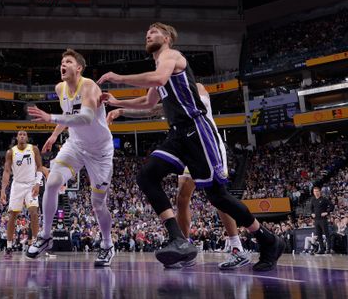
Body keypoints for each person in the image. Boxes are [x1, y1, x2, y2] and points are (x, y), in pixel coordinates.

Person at [99, 22, 284, 271]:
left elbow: (159, 78)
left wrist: (118, 78)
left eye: (153, 32)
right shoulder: (158, 66)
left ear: (167, 37)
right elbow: (148, 102)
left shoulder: (171, 56)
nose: (148, 35)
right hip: (178, 135)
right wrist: (117, 103)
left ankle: (267, 239)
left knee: (218, 196)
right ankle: (177, 237)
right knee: (146, 176)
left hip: (197, 131)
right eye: (146, 33)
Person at [107, 83, 250, 270]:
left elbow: (159, 105)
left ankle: (237, 247)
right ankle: (184, 247)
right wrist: (122, 111)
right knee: (182, 198)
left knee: (218, 196)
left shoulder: (195, 87)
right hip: (187, 148)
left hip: (207, 144)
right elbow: (151, 109)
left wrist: (121, 104)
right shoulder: (169, 92)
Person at [25, 49, 116, 267]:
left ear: (79, 68)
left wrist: (49, 118)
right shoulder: (60, 88)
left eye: (68, 61)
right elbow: (68, 115)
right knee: (54, 181)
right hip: (75, 145)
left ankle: (107, 244)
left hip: (100, 152)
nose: (62, 65)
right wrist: (54, 134)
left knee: (98, 204)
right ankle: (45, 236)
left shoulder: (89, 86)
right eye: (61, 62)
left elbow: (85, 117)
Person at [0, 130, 45, 257]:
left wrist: (37, 183)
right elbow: (7, 171)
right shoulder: (11, 152)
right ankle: (9, 246)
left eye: (24, 134)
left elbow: (40, 167)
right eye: (20, 134)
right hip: (17, 185)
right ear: (17, 137)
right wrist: (3, 190)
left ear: (27, 137)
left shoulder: (34, 149)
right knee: (12, 215)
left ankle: (34, 244)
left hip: (31, 184)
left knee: (34, 213)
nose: (22, 136)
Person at [310, 186, 332, 254]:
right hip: (316, 220)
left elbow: (331, 206)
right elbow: (311, 209)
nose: (316, 193)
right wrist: (312, 213)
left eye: (317, 191)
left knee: (326, 234)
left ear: (319, 192)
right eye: (314, 192)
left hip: (323, 219)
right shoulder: (313, 199)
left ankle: (328, 249)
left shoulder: (324, 199)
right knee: (319, 235)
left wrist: (327, 212)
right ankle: (321, 249)